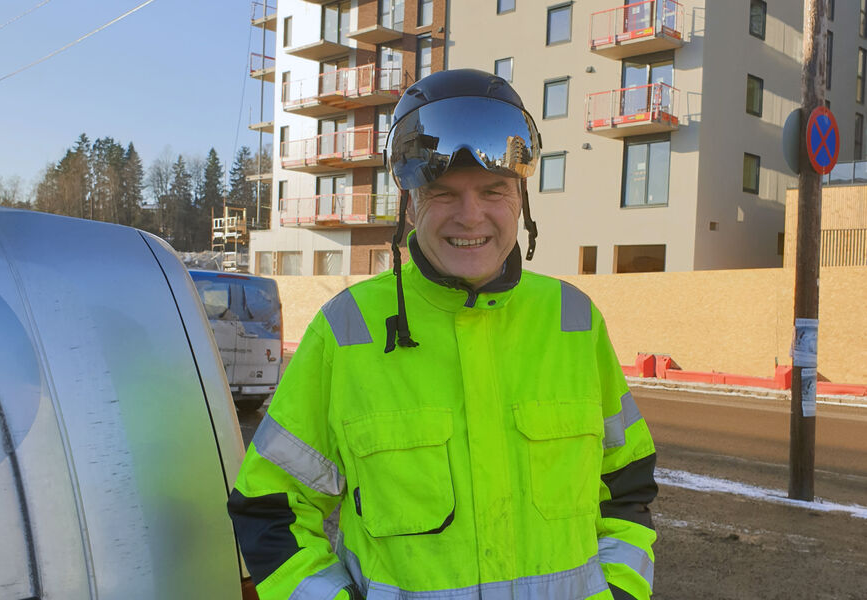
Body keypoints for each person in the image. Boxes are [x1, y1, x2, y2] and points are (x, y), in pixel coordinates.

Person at [227, 69, 658, 600]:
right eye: (442, 193)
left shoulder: (574, 320)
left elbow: (627, 487)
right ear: (410, 203)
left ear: (520, 198)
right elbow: (270, 507)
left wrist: (619, 592)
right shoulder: (346, 332)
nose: (469, 216)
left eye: (492, 190)